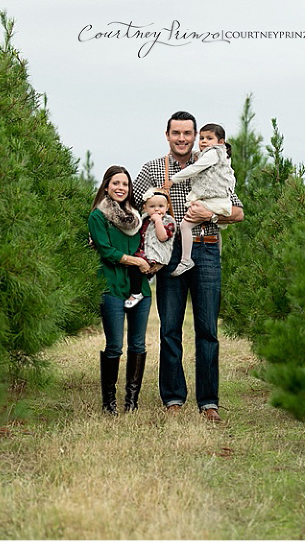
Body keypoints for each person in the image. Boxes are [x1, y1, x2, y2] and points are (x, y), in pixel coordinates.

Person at [133, 111, 244, 422]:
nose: (182, 138)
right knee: (170, 328)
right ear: (167, 135)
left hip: (206, 249)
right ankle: (173, 397)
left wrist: (208, 216)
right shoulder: (154, 169)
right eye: (176, 133)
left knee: (207, 329)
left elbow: (237, 212)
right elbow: (129, 201)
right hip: (170, 253)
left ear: (196, 135)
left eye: (187, 133)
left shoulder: (213, 162)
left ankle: (208, 402)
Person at [87, 166, 152, 414]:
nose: (120, 188)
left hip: (140, 288)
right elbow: (107, 252)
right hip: (111, 284)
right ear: (106, 186)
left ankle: (132, 401)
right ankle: (109, 402)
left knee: (138, 344)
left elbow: (148, 245)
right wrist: (136, 261)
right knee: (114, 345)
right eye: (116, 183)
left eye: (125, 184)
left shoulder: (136, 217)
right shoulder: (98, 216)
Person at [163, 123, 235, 276]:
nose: (203, 141)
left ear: (220, 142)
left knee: (185, 225)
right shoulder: (219, 154)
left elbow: (195, 168)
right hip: (219, 198)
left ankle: (186, 260)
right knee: (214, 230)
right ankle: (218, 260)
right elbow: (198, 155)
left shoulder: (213, 153)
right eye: (201, 138)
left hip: (213, 198)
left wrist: (173, 179)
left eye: (209, 138)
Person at [125, 188, 176, 309]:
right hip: (144, 252)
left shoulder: (168, 221)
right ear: (145, 208)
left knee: (134, 266)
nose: (157, 209)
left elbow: (163, 237)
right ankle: (135, 291)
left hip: (156, 255)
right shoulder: (144, 219)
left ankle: (136, 294)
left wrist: (158, 221)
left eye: (161, 206)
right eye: (152, 206)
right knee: (131, 268)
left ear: (167, 207)